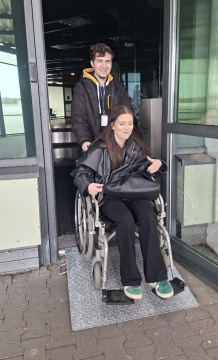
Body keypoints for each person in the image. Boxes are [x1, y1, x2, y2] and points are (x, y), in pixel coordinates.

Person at [70, 105, 173, 300]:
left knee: (148, 215)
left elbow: (148, 166)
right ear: (112, 125)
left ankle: (158, 277)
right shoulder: (99, 148)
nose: (127, 128)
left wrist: (159, 164)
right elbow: (80, 171)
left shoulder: (135, 146)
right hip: (109, 196)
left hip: (133, 192)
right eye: (122, 123)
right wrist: (88, 186)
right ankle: (131, 279)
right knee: (125, 219)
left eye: (130, 124)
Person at [71, 43, 132, 153]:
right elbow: (78, 117)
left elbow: (128, 114)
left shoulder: (118, 87)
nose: (104, 66)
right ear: (92, 63)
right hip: (92, 145)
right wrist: (85, 140)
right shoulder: (81, 87)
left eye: (107, 61)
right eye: (100, 61)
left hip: (116, 144)